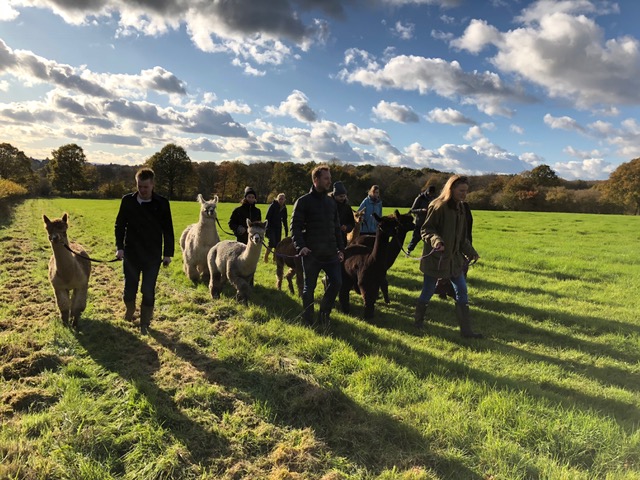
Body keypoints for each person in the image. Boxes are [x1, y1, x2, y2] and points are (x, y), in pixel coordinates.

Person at [414, 174, 482, 338]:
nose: (464, 194)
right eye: (461, 190)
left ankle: (466, 331)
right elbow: (426, 230)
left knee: (462, 291)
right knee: (428, 290)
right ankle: (417, 323)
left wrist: (471, 252)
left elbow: (461, 237)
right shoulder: (437, 206)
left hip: (454, 261)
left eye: (466, 191)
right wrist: (436, 241)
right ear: (451, 188)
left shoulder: (461, 208)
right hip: (436, 260)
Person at [115, 167, 174, 334]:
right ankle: (130, 310)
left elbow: (167, 229)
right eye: (139, 186)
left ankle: (145, 323)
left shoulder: (162, 203)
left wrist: (167, 254)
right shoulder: (128, 201)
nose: (142, 190)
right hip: (131, 254)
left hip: (152, 256)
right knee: (129, 291)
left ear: (153, 184)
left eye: (145, 187)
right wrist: (119, 248)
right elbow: (120, 225)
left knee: (148, 290)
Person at [291, 165, 345, 328]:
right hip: (311, 253)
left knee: (336, 282)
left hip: (330, 253)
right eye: (326, 178)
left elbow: (336, 227)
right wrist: (301, 246)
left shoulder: (331, 202)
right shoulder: (303, 202)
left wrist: (340, 249)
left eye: (330, 178)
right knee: (309, 288)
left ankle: (324, 314)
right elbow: (295, 227)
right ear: (316, 180)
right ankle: (308, 319)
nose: (330, 181)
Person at [407, 185, 437, 254]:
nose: (431, 195)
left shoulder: (435, 199)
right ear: (427, 191)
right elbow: (412, 210)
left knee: (429, 238)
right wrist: (421, 210)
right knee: (415, 238)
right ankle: (409, 251)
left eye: (432, 194)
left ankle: (428, 253)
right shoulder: (420, 198)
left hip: (430, 222)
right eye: (430, 193)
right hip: (419, 222)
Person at [328, 181, 355, 247]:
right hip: (329, 240)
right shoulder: (328, 205)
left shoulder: (347, 207)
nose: (343, 198)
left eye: (344, 196)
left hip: (342, 239)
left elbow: (351, 223)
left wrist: (347, 227)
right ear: (335, 195)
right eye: (340, 196)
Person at [264, 193, 288, 262]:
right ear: (277, 199)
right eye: (279, 199)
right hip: (271, 227)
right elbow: (267, 218)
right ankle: (266, 256)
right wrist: (266, 229)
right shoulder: (273, 206)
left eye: (282, 199)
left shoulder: (284, 208)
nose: (281, 200)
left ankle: (275, 258)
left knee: (277, 244)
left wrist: (286, 231)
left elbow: (285, 220)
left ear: (284, 200)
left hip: (278, 228)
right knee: (272, 243)